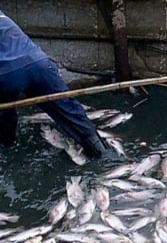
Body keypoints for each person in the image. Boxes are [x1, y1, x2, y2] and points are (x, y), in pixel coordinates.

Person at [0, 9, 109, 158]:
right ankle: (102, 154)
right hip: (39, 63)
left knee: (5, 113)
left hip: (6, 75)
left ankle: (8, 148)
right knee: (70, 109)